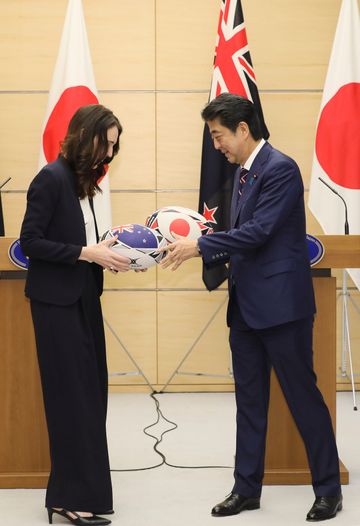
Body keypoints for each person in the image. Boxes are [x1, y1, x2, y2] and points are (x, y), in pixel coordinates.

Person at [160, 93, 342, 522]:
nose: (217, 145)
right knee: (249, 401)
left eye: (219, 136)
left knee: (303, 398)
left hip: (282, 309)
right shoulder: (242, 174)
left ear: (243, 129)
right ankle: (247, 489)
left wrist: (199, 245)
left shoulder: (280, 168)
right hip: (245, 309)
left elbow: (259, 232)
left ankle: (328, 490)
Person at [20, 104, 131, 526]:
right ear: (85, 135)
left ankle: (85, 493)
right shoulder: (50, 179)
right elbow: (30, 242)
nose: (108, 153)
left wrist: (107, 251)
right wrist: (86, 253)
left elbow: (77, 239)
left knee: (90, 396)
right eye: (106, 143)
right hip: (56, 305)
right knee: (71, 401)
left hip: (83, 297)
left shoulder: (81, 182)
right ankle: (66, 499)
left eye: (115, 147)